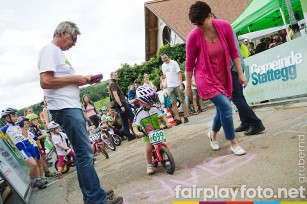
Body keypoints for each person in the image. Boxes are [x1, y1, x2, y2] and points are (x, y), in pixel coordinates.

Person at [38, 21, 122, 204]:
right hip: (65, 108)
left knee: (85, 153)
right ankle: (94, 199)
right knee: (85, 154)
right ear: (63, 33)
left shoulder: (57, 53)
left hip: (69, 107)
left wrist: (82, 80)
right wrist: (76, 78)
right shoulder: (50, 49)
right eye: (73, 39)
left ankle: (94, 194)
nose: (74, 44)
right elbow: (45, 81)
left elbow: (59, 80)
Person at [185, 1, 246, 155]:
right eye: (195, 24)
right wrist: (187, 87)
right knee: (226, 106)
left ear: (209, 16)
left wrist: (240, 73)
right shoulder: (193, 36)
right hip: (204, 77)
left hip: (222, 74)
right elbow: (189, 64)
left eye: (200, 22)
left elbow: (234, 52)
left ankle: (212, 134)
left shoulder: (225, 27)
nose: (198, 26)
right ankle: (233, 143)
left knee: (222, 108)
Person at [1, 108, 48, 189]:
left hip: (29, 145)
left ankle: (38, 181)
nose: (16, 117)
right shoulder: (4, 128)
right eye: (14, 115)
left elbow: (26, 136)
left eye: (16, 115)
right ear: (7, 118)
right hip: (22, 148)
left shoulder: (18, 125)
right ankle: (32, 181)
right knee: (33, 164)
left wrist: (22, 126)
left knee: (36, 164)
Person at [132, 86, 172, 174]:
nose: (151, 105)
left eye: (152, 102)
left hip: (157, 131)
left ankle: (165, 157)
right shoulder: (139, 113)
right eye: (148, 103)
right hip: (147, 134)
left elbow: (162, 116)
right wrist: (137, 132)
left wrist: (167, 122)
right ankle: (149, 164)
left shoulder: (155, 108)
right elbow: (134, 125)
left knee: (161, 144)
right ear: (142, 102)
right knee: (148, 149)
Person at [161, 53, 189, 125]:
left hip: (177, 84)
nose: (165, 59)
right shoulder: (163, 66)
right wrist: (164, 82)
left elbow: (179, 73)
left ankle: (185, 116)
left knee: (182, 100)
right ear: (162, 59)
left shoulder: (174, 63)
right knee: (173, 103)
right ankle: (178, 118)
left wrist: (180, 84)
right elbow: (165, 75)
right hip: (170, 87)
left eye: (165, 57)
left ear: (168, 57)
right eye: (163, 58)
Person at [26, 113, 56, 178]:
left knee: (43, 160)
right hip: (38, 147)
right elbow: (33, 138)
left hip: (41, 145)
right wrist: (42, 136)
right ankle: (45, 174)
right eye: (34, 120)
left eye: (36, 119)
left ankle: (46, 173)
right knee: (42, 161)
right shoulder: (31, 129)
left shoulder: (35, 127)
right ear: (30, 122)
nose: (36, 121)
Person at [109, 71, 136, 141]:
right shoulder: (113, 84)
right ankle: (139, 131)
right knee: (132, 117)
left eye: (116, 75)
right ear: (111, 76)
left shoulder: (112, 84)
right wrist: (121, 105)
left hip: (120, 104)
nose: (116, 76)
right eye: (115, 75)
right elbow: (115, 95)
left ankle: (128, 135)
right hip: (121, 103)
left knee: (124, 120)